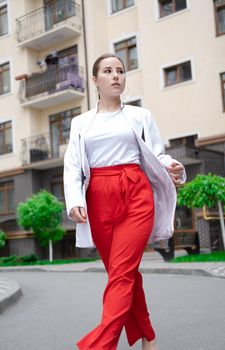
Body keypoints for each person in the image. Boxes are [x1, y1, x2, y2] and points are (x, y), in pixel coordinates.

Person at [63, 53, 186, 350]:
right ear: (95, 81)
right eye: (108, 71)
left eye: (120, 70)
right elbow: (73, 163)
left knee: (120, 274)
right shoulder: (81, 122)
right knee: (123, 273)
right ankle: (149, 337)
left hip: (136, 193)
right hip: (98, 198)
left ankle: (100, 345)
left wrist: (174, 168)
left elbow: (158, 154)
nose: (116, 75)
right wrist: (74, 200)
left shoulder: (139, 116)